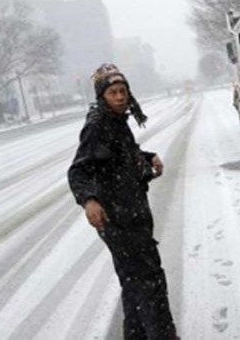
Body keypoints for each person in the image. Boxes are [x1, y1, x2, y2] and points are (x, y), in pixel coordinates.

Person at [68, 63, 180, 340]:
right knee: (150, 281)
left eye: (123, 91)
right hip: (118, 220)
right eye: (113, 92)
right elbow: (78, 170)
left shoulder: (115, 122)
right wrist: (89, 202)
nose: (120, 97)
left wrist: (147, 157)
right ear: (102, 97)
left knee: (134, 283)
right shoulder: (97, 126)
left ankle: (136, 336)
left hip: (131, 214)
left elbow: (121, 154)